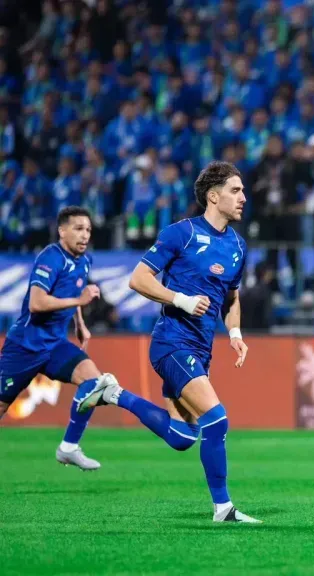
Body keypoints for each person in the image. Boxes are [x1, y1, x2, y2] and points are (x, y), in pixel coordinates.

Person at [77, 161, 260, 524]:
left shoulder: (238, 246)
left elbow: (231, 298)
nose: (243, 197)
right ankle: (223, 509)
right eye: (235, 190)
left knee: (182, 436)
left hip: (201, 349)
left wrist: (235, 334)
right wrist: (181, 300)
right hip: (172, 343)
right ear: (213, 196)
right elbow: (138, 279)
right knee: (217, 420)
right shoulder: (182, 233)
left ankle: (113, 393)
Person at [0, 206, 114, 471]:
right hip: (26, 345)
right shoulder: (50, 257)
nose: (85, 235)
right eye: (78, 229)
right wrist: (80, 301)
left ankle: (69, 448)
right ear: (62, 231)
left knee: (93, 382)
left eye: (88, 230)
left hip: (55, 345)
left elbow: (72, 291)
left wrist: (79, 323)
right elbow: (37, 304)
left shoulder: (85, 261)